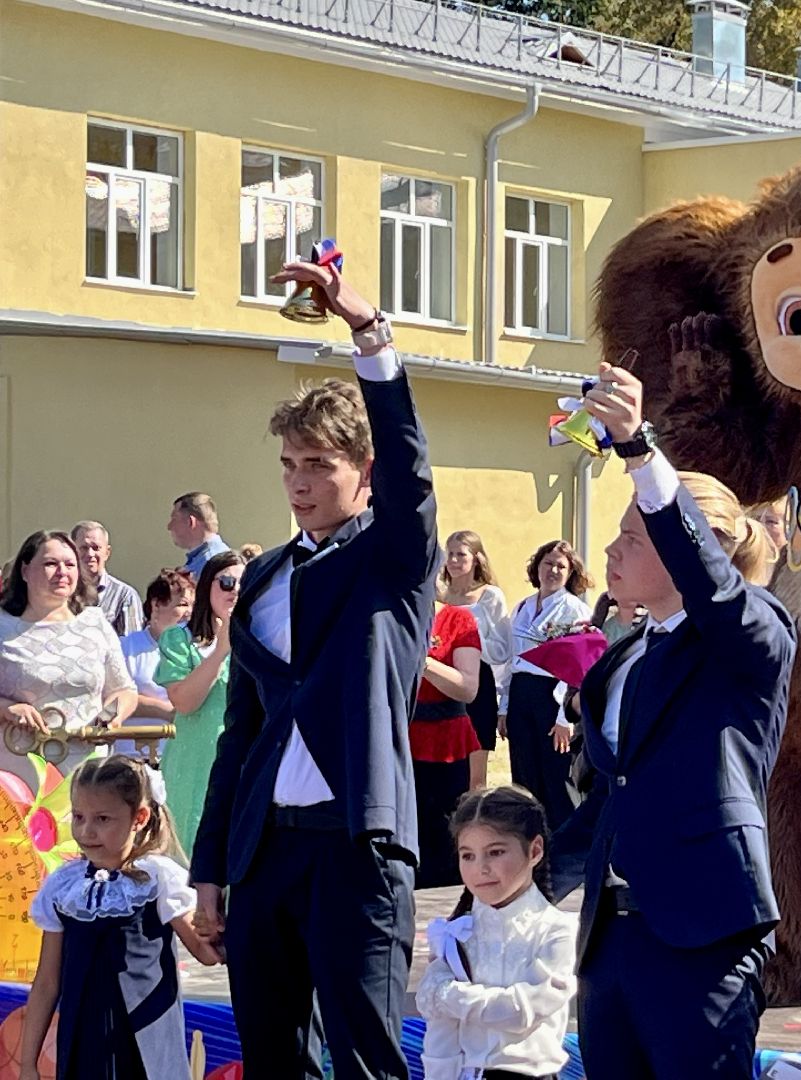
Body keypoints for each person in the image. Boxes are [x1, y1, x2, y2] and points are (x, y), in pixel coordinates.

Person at [188, 255, 440, 1080]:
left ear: (361, 475)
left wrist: (370, 335)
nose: (300, 483)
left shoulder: (393, 559)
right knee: (272, 1058)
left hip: (356, 845)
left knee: (365, 1059)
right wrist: (213, 871)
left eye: (319, 466)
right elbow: (241, 734)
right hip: (265, 853)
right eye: (290, 465)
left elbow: (410, 469)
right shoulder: (257, 576)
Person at [549, 362, 795, 1079]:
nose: (610, 550)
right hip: (611, 937)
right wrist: (515, 881)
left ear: (693, 550)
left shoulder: (752, 634)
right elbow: (611, 800)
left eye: (634, 536)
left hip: (704, 933)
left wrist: (641, 454)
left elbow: (714, 589)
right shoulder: (622, 660)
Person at [20, 755, 220, 1080]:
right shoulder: (63, 887)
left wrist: (213, 925)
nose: (86, 831)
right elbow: (47, 981)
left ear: (139, 818)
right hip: (84, 1044)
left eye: (102, 819)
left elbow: (205, 953)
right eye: (79, 816)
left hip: (144, 1042)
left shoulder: (159, 878)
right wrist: (28, 1063)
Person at [418, 786, 577, 1080]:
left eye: (496, 852)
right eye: (468, 856)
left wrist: (450, 995)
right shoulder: (456, 933)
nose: (481, 868)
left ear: (535, 850)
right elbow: (440, 1029)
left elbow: (523, 1009)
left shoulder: (558, 931)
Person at [0, 531, 137, 764]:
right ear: (25, 571)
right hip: (17, 772)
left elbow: (124, 690)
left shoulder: (95, 622)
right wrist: (6, 708)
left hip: (87, 769)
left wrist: (112, 715)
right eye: (50, 564)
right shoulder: (3, 625)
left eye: (70, 564)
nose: (62, 572)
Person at [154, 551, 242, 858]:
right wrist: (220, 650)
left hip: (243, 761)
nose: (235, 592)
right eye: (227, 582)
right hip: (194, 765)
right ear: (207, 586)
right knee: (188, 859)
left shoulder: (263, 640)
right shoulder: (180, 640)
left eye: (244, 584)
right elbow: (185, 702)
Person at [501, 541, 591, 831]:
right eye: (547, 563)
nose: (552, 570)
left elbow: (576, 668)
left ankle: (567, 846)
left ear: (570, 573)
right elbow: (509, 660)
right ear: (536, 566)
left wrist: (565, 718)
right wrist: (504, 708)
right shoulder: (523, 607)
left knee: (556, 775)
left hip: (553, 696)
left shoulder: (575, 610)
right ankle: (530, 835)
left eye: (560, 566)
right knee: (524, 771)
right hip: (521, 693)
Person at [414, 599, 483, 888]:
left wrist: (422, 660)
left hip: (446, 739)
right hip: (401, 736)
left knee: (446, 828)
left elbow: (468, 688)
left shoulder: (458, 620)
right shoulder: (391, 614)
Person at [439, 530, 511, 789]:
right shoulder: (439, 598)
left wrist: (467, 635)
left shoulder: (489, 596)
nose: (455, 560)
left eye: (461, 554)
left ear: (476, 559)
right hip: (441, 685)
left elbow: (503, 649)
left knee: (474, 777)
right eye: (450, 554)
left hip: (478, 684)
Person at [115, 568, 194, 757]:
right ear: (157, 605)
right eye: (182, 604)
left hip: (182, 756)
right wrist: (165, 710)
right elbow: (113, 697)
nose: (189, 613)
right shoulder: (126, 647)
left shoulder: (197, 650)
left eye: (193, 605)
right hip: (132, 756)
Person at [72, 521, 144, 637]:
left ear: (107, 552)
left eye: (96, 548)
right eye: (84, 548)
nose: (90, 554)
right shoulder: (63, 593)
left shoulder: (125, 595)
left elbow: (130, 646)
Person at [168, 493, 229, 578]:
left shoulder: (209, 564)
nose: (169, 526)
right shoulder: (219, 557)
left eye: (174, 519)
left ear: (190, 522)